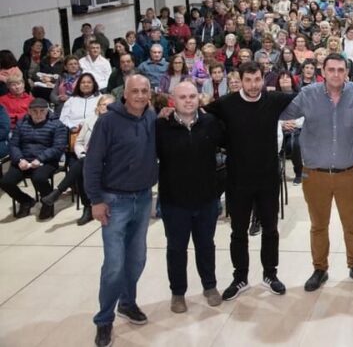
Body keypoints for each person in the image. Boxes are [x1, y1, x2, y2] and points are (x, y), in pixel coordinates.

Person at [200, 62, 296, 300]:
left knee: (270, 229)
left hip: (268, 178)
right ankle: (240, 277)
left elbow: (305, 99)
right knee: (238, 231)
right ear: (240, 80)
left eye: (257, 80)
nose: (253, 85)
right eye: (248, 80)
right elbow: (200, 113)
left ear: (264, 79)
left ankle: (270, 274)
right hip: (238, 179)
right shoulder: (226, 103)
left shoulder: (274, 100)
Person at [280, 53, 353, 292]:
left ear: (347, 72)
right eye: (331, 70)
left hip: (349, 173)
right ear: (322, 71)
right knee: (318, 225)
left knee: (352, 225)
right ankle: (319, 269)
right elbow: (282, 112)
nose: (336, 74)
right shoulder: (308, 95)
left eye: (341, 70)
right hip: (315, 174)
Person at [83, 75, 157, 347]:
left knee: (137, 259)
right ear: (124, 94)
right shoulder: (108, 122)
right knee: (114, 264)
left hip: (143, 197)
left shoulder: (151, 117)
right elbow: (92, 163)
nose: (140, 95)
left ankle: (127, 302)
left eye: (144, 91)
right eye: (134, 91)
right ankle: (104, 320)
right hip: (114, 200)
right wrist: (96, 200)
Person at [156, 82, 225, 314]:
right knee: (176, 248)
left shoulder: (210, 123)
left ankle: (210, 286)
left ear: (199, 98)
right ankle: (178, 292)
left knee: (206, 245)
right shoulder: (161, 126)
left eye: (192, 96)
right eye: (183, 97)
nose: (188, 101)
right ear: (173, 100)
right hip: (174, 201)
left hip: (206, 199)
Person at [41, 94, 116, 225]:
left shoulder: (118, 123)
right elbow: (79, 142)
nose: (106, 108)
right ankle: (87, 206)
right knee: (83, 165)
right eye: (104, 105)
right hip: (88, 158)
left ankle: (59, 192)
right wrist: (82, 154)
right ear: (98, 107)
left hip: (110, 161)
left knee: (83, 165)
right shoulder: (89, 121)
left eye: (110, 105)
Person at [0, 98, 67, 220]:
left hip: (46, 161)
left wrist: (40, 159)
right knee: (5, 182)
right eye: (35, 111)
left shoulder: (57, 125)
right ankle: (26, 201)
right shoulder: (22, 123)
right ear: (29, 111)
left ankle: (47, 202)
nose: (38, 114)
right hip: (24, 159)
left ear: (47, 111)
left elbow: (58, 147)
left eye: (42, 111)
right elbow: (13, 145)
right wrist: (20, 159)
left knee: (39, 178)